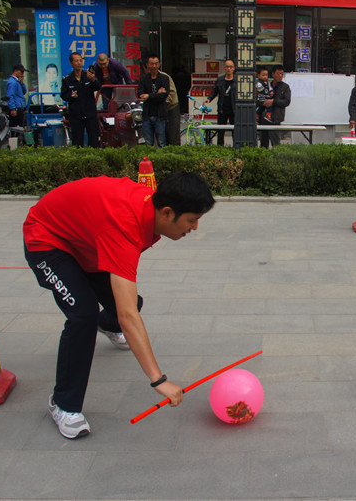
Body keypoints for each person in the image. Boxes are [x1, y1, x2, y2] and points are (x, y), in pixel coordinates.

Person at [23, 171, 215, 439]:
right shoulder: (124, 226)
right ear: (167, 213)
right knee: (84, 315)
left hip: (87, 242)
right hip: (48, 239)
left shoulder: (148, 208)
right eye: (192, 220)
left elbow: (127, 306)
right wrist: (159, 380)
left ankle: (106, 325)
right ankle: (63, 404)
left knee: (131, 301)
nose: (194, 228)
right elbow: (128, 316)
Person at [60, 53, 101, 148]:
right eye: (76, 61)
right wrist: (71, 96)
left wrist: (93, 80)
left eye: (80, 60)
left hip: (90, 112)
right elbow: (64, 95)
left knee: (94, 140)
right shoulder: (67, 79)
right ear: (71, 63)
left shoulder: (88, 76)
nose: (79, 63)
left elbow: (98, 87)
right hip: (76, 114)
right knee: (77, 141)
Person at [138, 54, 169, 147]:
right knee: (148, 143)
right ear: (147, 64)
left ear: (159, 64)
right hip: (147, 115)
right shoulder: (143, 78)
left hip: (160, 114)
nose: (154, 66)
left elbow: (164, 96)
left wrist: (149, 96)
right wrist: (156, 94)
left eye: (156, 63)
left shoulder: (164, 78)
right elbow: (140, 94)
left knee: (161, 142)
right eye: (151, 64)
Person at [205, 59, 236, 145]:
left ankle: (235, 148)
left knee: (235, 131)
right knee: (220, 131)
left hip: (234, 109)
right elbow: (215, 91)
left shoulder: (237, 80)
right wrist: (209, 99)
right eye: (227, 67)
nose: (229, 69)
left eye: (231, 67)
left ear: (234, 68)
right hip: (222, 109)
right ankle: (220, 148)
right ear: (224, 68)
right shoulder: (220, 80)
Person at [261, 65, 291, 149]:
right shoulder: (267, 85)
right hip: (264, 116)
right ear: (273, 74)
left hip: (276, 117)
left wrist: (274, 102)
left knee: (275, 142)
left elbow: (286, 101)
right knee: (263, 141)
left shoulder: (285, 87)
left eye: (282, 74)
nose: (280, 76)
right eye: (278, 74)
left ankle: (276, 156)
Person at [157, 64, 181, 146]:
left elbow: (171, 94)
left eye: (155, 64)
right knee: (162, 137)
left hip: (171, 108)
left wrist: (160, 101)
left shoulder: (164, 77)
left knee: (173, 136)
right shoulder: (146, 78)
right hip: (158, 111)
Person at [7, 64, 28, 128]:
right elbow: (10, 95)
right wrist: (12, 109)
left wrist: (22, 83)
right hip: (16, 107)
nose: (22, 74)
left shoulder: (17, 81)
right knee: (17, 127)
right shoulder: (12, 82)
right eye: (21, 72)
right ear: (16, 71)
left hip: (20, 106)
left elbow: (23, 92)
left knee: (22, 125)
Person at [255, 66, 273, 135]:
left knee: (270, 106)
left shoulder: (268, 82)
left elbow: (270, 88)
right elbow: (260, 90)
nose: (265, 77)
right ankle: (257, 116)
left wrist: (271, 91)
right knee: (259, 108)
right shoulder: (258, 83)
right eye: (263, 75)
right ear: (258, 75)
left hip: (267, 98)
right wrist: (266, 91)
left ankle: (268, 115)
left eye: (266, 75)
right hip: (261, 98)